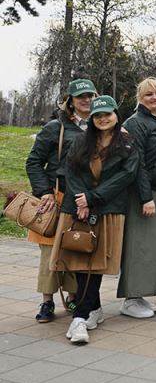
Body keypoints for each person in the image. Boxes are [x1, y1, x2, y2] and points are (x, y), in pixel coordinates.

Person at [55, 96, 139, 344]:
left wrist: (92, 198)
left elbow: (127, 175)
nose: (103, 119)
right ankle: (85, 313)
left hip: (107, 208)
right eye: (98, 115)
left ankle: (82, 315)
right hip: (78, 209)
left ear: (116, 115)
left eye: (108, 114)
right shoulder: (81, 140)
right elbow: (70, 170)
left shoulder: (126, 143)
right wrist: (82, 199)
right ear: (92, 118)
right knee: (81, 260)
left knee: (97, 262)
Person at [24, 78, 93, 323]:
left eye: (89, 96)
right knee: (49, 253)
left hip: (83, 199)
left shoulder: (98, 126)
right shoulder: (56, 127)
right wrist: (44, 191)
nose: (86, 100)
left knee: (76, 248)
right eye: (80, 96)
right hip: (56, 197)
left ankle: (73, 297)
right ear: (70, 101)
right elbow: (33, 162)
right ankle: (47, 301)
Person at [118, 78, 156, 319]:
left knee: (151, 247)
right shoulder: (136, 123)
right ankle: (131, 298)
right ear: (140, 97)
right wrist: (145, 197)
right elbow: (136, 163)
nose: (155, 97)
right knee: (139, 245)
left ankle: (140, 295)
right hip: (144, 194)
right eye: (149, 94)